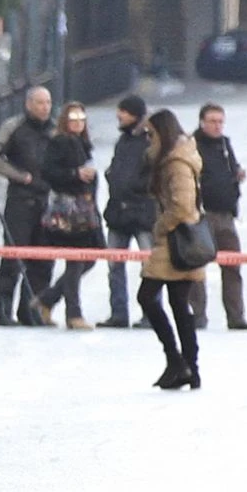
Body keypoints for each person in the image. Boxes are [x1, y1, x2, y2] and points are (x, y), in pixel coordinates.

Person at [138, 110, 205, 390]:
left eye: (150, 134)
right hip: (177, 240)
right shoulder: (172, 158)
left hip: (176, 240)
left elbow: (183, 205)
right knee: (178, 304)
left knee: (148, 296)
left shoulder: (176, 162)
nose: (148, 140)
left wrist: (161, 227)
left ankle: (177, 360)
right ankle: (188, 366)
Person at [0, 86, 55, 326]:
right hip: (20, 201)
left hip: (47, 201)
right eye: (40, 103)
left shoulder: (55, 131)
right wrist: (17, 175)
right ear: (28, 104)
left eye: (48, 103)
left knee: (43, 260)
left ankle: (30, 310)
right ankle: (0, 309)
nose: (45, 107)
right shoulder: (14, 127)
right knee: (13, 257)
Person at [31, 101, 103, 330]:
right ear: (65, 120)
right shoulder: (60, 141)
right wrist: (75, 174)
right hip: (69, 211)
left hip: (85, 209)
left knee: (89, 258)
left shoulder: (82, 143)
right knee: (76, 260)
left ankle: (47, 299)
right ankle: (73, 314)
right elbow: (48, 172)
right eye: (73, 119)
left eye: (82, 119)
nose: (78, 123)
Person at [190, 103, 247, 332]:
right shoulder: (192, 145)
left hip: (226, 214)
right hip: (202, 214)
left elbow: (230, 168)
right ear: (202, 122)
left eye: (220, 121)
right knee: (197, 267)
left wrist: (237, 176)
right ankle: (198, 315)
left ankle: (236, 316)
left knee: (232, 266)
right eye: (212, 121)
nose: (217, 126)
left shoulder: (225, 144)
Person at [98, 95, 156, 329]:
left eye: (123, 112)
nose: (119, 116)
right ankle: (118, 313)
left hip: (142, 212)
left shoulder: (152, 141)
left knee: (149, 267)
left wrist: (135, 189)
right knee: (114, 265)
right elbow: (117, 170)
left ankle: (150, 314)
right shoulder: (122, 141)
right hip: (118, 212)